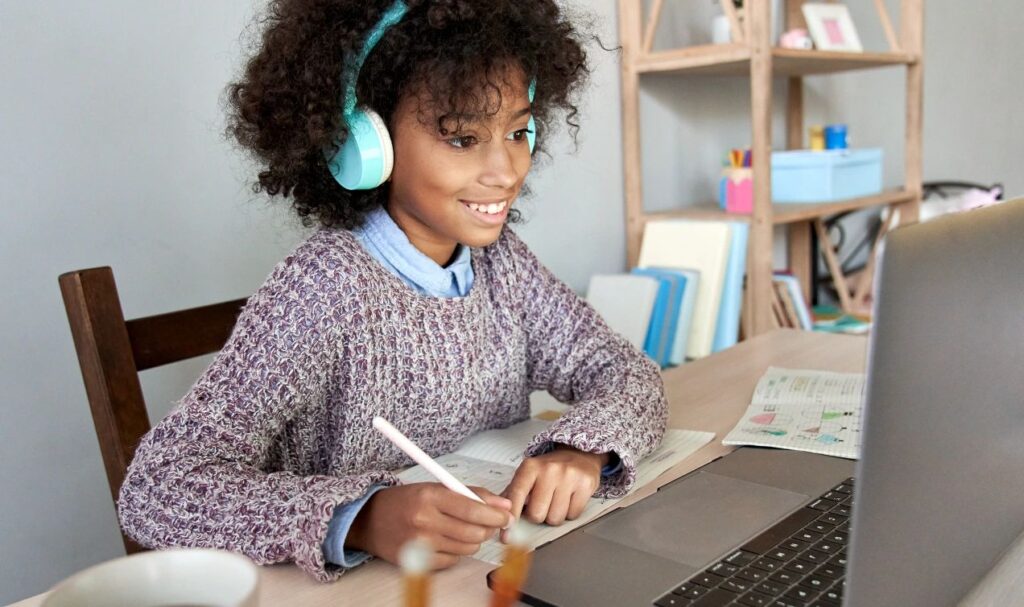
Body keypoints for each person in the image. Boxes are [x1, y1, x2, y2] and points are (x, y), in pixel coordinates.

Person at [117, 0, 667, 582]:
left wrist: (582, 450)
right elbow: (159, 485)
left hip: (475, 579)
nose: (506, 170)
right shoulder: (322, 289)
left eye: (518, 132)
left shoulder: (503, 265)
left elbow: (625, 371)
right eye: (462, 139)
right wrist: (360, 518)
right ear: (363, 143)